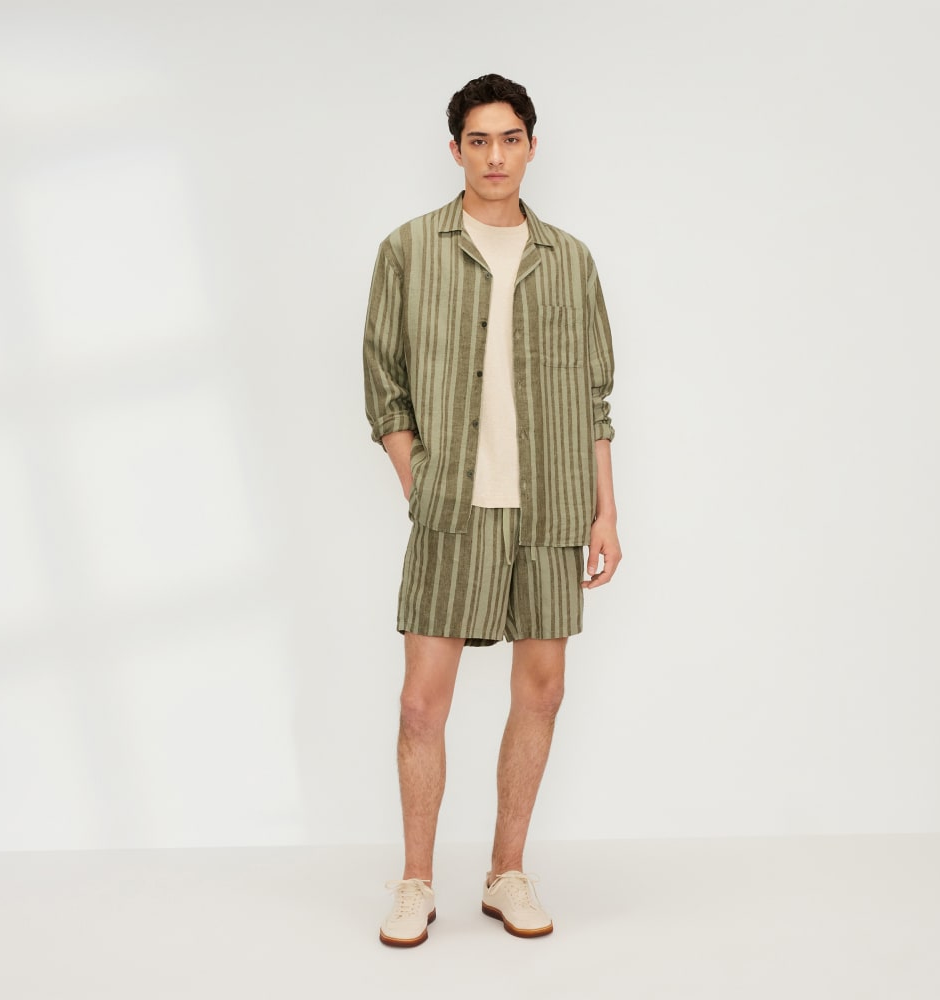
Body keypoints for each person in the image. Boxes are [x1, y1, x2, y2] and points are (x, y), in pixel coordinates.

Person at [363, 73, 621, 947]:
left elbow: (595, 399)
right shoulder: (409, 250)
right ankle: (415, 883)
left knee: (542, 692)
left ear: (532, 147)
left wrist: (605, 514)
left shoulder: (571, 260)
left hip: (551, 507)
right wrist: (419, 476)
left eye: (510, 139)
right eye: (478, 141)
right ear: (456, 150)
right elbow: (383, 382)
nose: (495, 156)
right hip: (453, 510)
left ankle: (507, 871)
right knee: (420, 705)